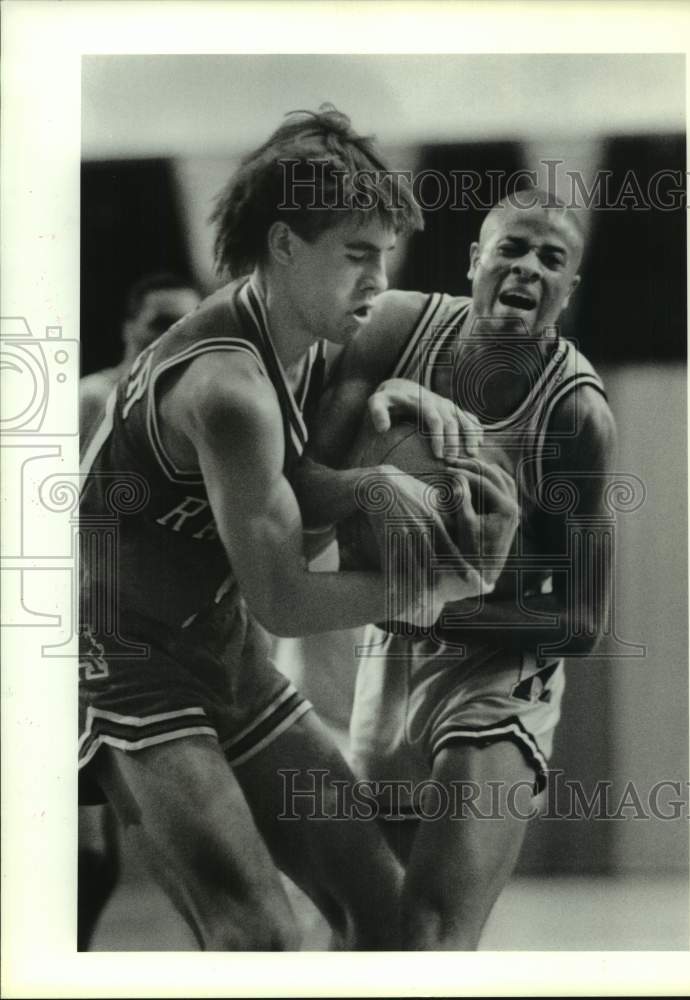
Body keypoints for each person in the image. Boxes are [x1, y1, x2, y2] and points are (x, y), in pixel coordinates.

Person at [78, 106, 499, 951]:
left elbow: (291, 483)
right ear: (283, 246)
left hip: (217, 646)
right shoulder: (228, 389)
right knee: (260, 936)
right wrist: (432, 585)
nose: (379, 278)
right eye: (357, 255)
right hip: (121, 659)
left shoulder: (304, 332)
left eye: (386, 254)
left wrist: (387, 452)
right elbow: (285, 601)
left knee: (389, 920)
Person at [304, 185, 617, 949]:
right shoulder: (394, 327)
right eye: (513, 248)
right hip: (393, 652)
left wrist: (435, 599)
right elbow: (309, 491)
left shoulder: (576, 412)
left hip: (500, 669)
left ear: (569, 290)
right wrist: (390, 416)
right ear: (475, 260)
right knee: (374, 935)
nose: (529, 268)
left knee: (432, 932)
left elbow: (580, 620)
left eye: (552, 259)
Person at [78, 272, 202, 951]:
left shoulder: (179, 417)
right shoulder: (91, 400)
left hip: (141, 647)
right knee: (88, 853)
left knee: (109, 849)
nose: (171, 337)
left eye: (185, 324)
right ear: (129, 327)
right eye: (159, 322)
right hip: (79, 642)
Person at [79, 273, 202, 439]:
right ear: (128, 328)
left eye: (187, 324)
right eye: (162, 324)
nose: (175, 335)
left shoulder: (193, 404)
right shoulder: (94, 397)